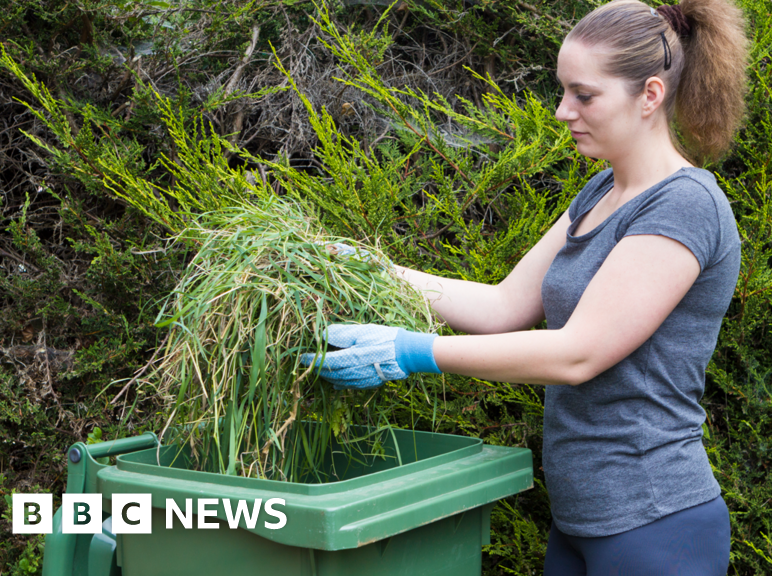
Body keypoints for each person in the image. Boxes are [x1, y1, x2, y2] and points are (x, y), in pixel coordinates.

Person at [300, 0, 748, 573]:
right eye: (563, 91)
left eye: (583, 95)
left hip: (654, 521)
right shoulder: (599, 195)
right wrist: (373, 268)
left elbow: (578, 352)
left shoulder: (685, 204)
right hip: (581, 521)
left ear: (650, 96)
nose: (564, 111)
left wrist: (410, 352)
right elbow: (503, 305)